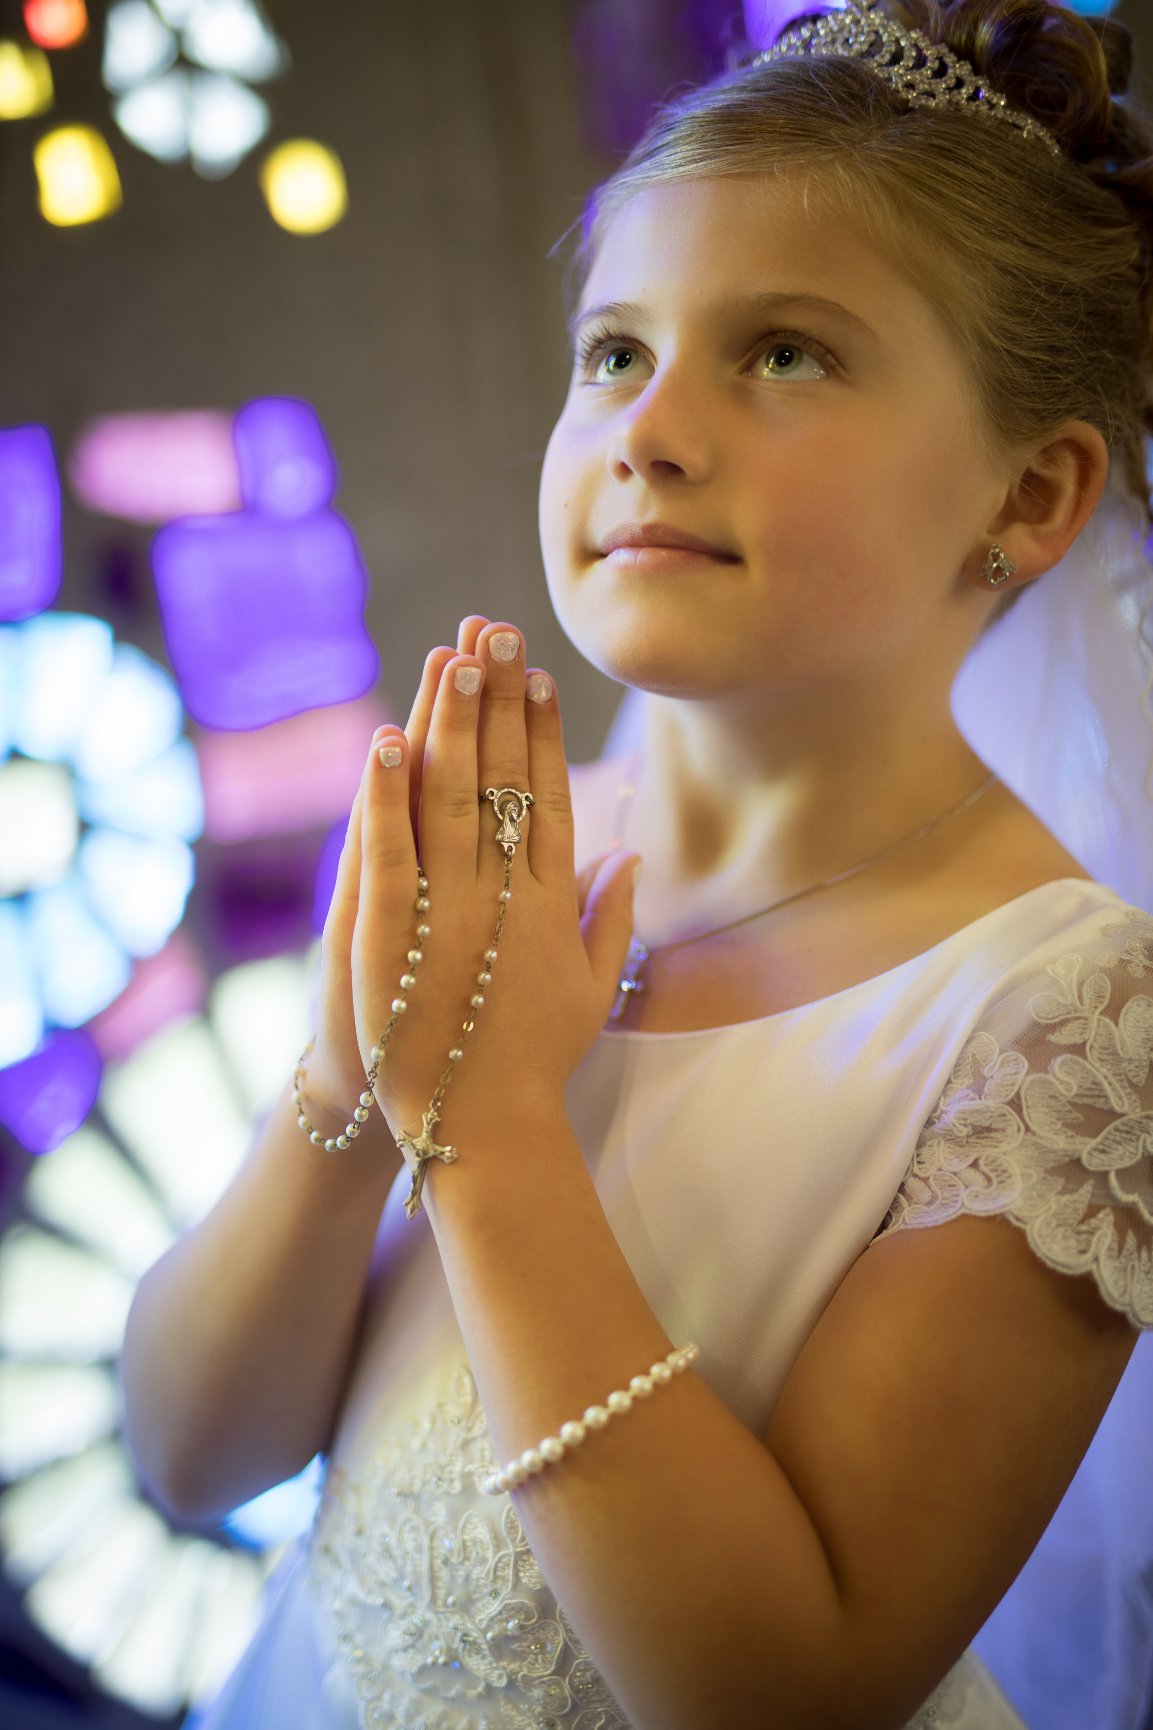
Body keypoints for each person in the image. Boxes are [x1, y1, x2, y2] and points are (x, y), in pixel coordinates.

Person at [120, 2, 1153, 1725]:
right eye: (613, 350)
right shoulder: (498, 838)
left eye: (785, 353)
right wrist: (349, 1075)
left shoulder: (1064, 1013)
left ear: (1030, 498)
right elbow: (189, 1456)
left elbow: (776, 1691)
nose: (647, 430)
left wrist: (491, 1118)